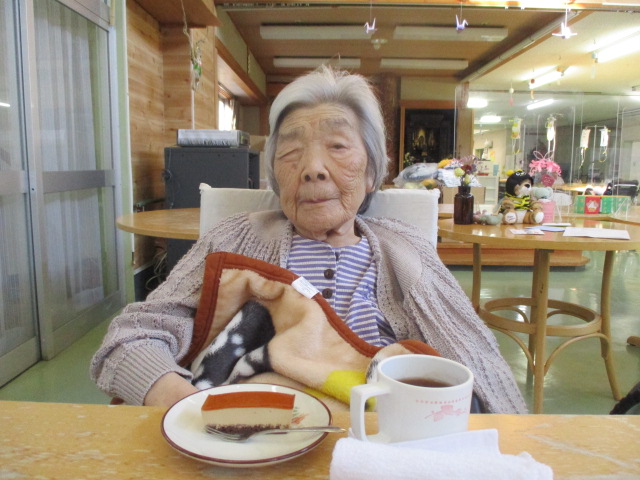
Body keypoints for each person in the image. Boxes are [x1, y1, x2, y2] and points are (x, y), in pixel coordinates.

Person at [91, 66, 527, 413]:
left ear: (371, 172)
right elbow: (129, 338)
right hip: (247, 435)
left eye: (338, 146)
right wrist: (185, 407)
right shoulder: (234, 238)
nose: (313, 168)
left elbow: (479, 368)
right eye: (291, 151)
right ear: (276, 177)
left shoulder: (407, 249)